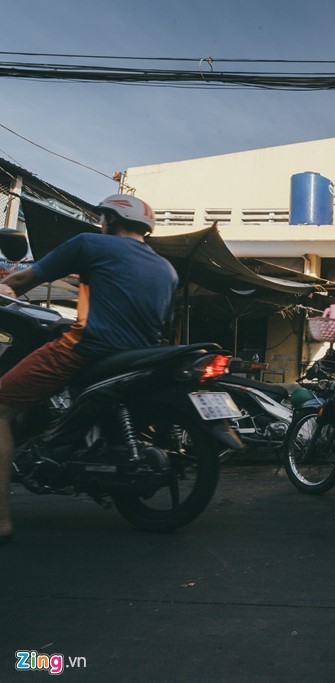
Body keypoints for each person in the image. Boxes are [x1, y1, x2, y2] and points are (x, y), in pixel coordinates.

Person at [0, 194, 178, 545]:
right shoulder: (167, 269)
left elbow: (21, 283)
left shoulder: (89, 244)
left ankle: (1, 520)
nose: (101, 224)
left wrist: (7, 284)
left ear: (110, 220)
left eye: (103, 218)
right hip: (137, 356)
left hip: (88, 349)